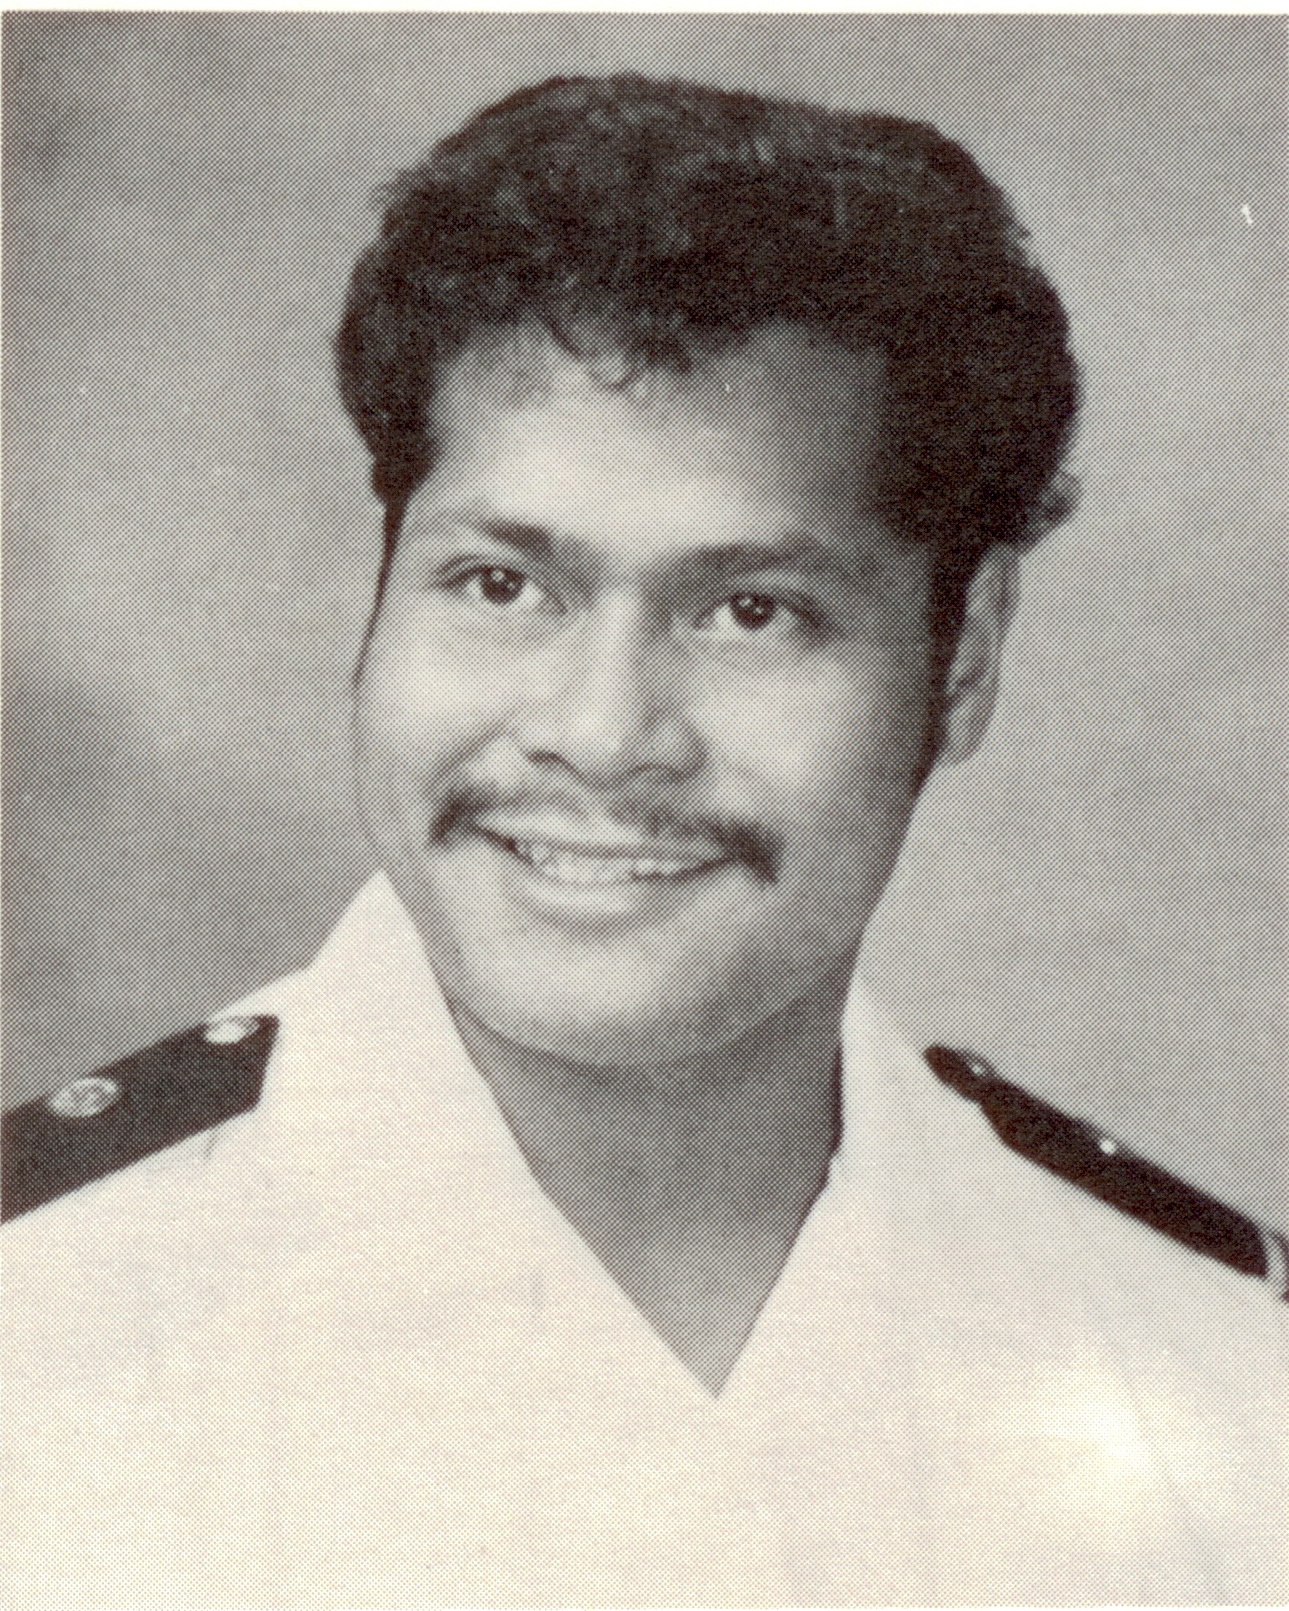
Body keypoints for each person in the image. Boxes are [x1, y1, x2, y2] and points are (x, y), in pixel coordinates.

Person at [3, 73, 1284, 1607]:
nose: (603, 734)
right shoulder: (40, 1333)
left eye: (751, 611)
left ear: (962, 659)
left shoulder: (1223, 1391)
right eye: (501, 585)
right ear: (381, 588)